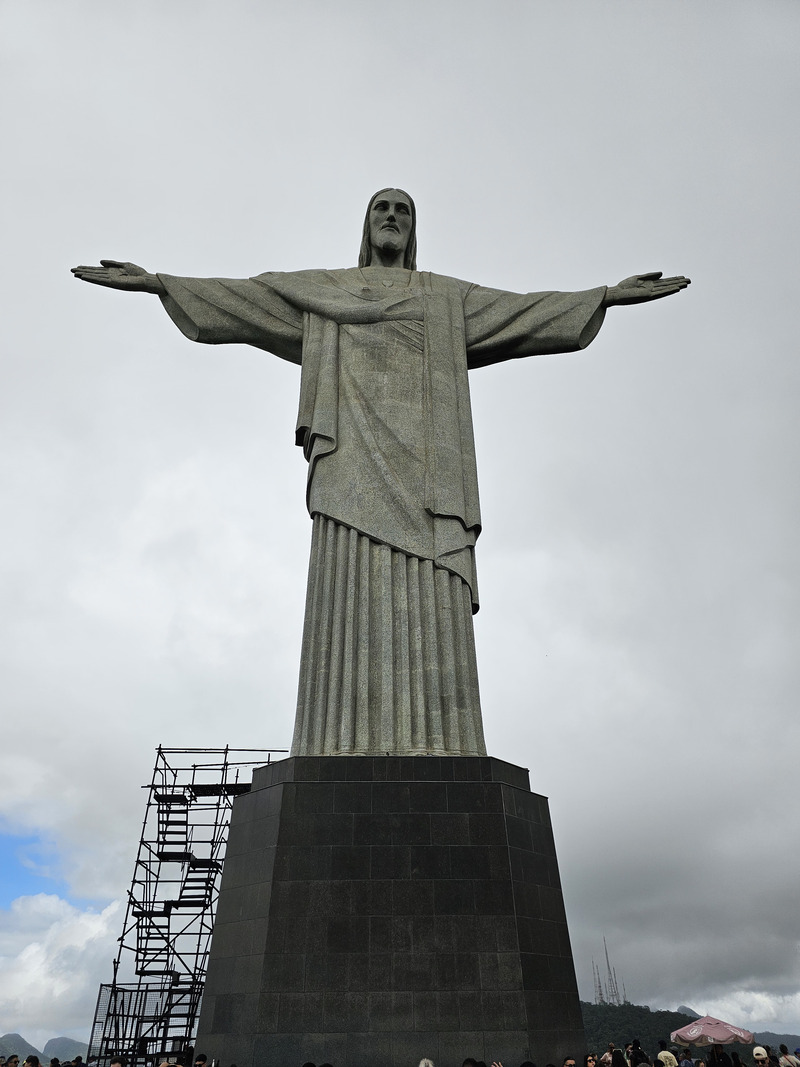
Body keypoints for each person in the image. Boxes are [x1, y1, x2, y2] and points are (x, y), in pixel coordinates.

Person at [72, 188, 689, 757]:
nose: (392, 216)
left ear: (414, 228)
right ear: (366, 225)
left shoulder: (447, 298)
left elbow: (523, 312)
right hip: (350, 467)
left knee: (431, 594)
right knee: (346, 587)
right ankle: (334, 740)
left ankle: (445, 745)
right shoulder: (322, 291)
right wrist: (158, 283)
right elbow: (243, 300)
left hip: (430, 475)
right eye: (381, 208)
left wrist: (603, 296)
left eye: (403, 209)